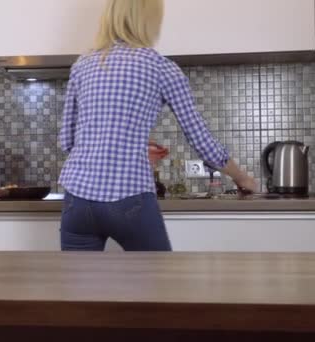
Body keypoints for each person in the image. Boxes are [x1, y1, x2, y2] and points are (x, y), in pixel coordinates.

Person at [58, 0, 258, 252]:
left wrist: (114, 145)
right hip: (130, 196)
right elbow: (202, 141)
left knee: (80, 290)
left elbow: (67, 141)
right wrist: (243, 178)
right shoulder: (161, 68)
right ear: (149, 20)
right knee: (159, 285)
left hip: (78, 201)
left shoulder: (81, 66)